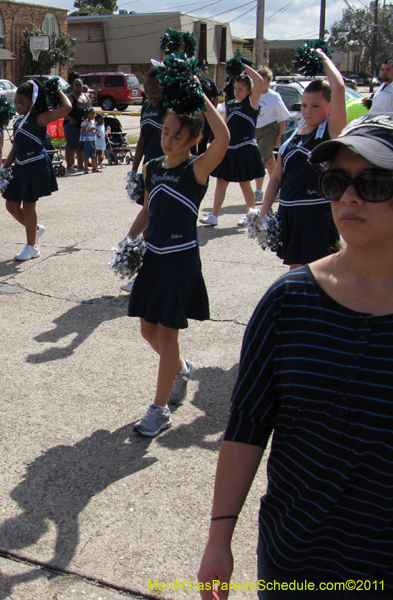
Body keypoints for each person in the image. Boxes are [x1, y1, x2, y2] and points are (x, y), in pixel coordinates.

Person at [197, 113, 393, 599]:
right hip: (295, 559)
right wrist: (219, 539)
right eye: (336, 181)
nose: (349, 196)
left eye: (373, 183)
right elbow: (248, 424)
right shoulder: (288, 300)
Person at [126, 92, 229, 437]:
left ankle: (160, 410)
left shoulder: (196, 168)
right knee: (147, 330)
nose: (168, 140)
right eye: (165, 133)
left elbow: (225, 138)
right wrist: (129, 241)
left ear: (195, 140)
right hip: (153, 260)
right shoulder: (152, 167)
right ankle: (182, 368)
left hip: (180, 262)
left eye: (178, 136)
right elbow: (148, 210)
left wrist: (200, 98)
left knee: (167, 334)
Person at [259, 49, 346, 271]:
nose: (308, 111)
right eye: (305, 105)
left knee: (315, 273)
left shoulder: (331, 131)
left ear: (329, 106)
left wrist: (322, 58)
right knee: (297, 271)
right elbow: (277, 176)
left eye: (316, 106)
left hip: (315, 213)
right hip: (290, 213)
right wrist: (264, 210)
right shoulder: (291, 135)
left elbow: (339, 87)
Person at [2, 80, 72, 261]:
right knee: (10, 205)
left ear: (32, 101)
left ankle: (31, 246)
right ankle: (35, 230)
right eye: (15, 102)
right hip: (20, 166)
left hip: (35, 166)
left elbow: (67, 107)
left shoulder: (40, 118)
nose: (17, 106)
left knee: (29, 205)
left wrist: (56, 90)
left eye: (22, 103)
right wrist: (4, 167)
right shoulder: (18, 121)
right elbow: (15, 148)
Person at [200, 64, 265, 227]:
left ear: (249, 91)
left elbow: (260, 82)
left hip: (245, 147)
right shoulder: (230, 104)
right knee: (221, 181)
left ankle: (251, 213)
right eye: (235, 88)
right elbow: (226, 126)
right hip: (230, 148)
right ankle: (214, 215)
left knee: (244, 183)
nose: (237, 91)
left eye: (241, 89)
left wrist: (244, 67)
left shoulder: (251, 103)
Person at [121, 68, 166, 294]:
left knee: (156, 227)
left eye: (155, 90)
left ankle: (148, 277)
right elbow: (143, 140)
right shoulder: (147, 107)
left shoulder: (171, 107)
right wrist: (134, 168)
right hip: (150, 170)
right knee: (150, 226)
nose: (151, 95)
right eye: (146, 91)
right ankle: (146, 276)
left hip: (169, 171)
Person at [253, 67, 291, 202]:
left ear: (268, 80)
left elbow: (282, 118)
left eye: (262, 78)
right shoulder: (253, 94)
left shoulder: (274, 96)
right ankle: (279, 188)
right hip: (255, 130)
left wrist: (281, 135)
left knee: (259, 158)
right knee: (269, 161)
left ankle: (258, 191)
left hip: (270, 130)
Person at [63, 78, 93, 172]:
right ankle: (69, 166)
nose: (79, 87)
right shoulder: (70, 97)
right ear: (72, 86)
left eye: (80, 85)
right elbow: (62, 111)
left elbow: (90, 109)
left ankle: (80, 165)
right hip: (72, 125)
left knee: (82, 146)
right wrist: (70, 119)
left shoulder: (86, 96)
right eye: (77, 85)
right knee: (72, 145)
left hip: (84, 125)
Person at [196, 61, 220, 156]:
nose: (204, 71)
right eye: (202, 69)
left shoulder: (209, 82)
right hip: (196, 112)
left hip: (207, 113)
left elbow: (216, 96)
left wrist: (213, 108)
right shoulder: (193, 81)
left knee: (205, 135)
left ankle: (202, 155)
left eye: (205, 69)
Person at [80, 108, 99, 174]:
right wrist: (89, 130)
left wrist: (96, 132)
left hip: (92, 140)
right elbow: (82, 132)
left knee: (93, 154)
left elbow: (92, 131)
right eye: (92, 114)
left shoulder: (92, 123)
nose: (94, 116)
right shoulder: (84, 123)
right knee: (86, 154)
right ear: (88, 115)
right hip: (87, 140)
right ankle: (86, 167)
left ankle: (94, 167)